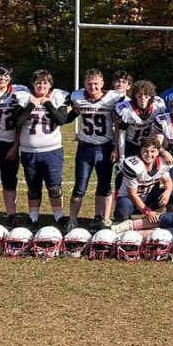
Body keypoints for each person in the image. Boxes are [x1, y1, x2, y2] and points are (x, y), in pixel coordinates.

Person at [66, 69, 125, 231]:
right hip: (85, 147)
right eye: (89, 84)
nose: (93, 87)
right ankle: (72, 219)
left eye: (96, 83)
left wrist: (116, 148)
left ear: (102, 84)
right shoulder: (78, 98)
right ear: (85, 84)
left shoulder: (113, 98)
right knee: (80, 186)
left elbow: (124, 115)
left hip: (105, 147)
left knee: (104, 185)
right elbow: (68, 115)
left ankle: (104, 219)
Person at [12, 70, 70, 231]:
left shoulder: (57, 96)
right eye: (38, 82)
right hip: (29, 151)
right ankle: (33, 218)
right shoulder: (24, 97)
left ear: (50, 85)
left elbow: (61, 119)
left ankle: (59, 218)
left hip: (51, 150)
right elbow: (17, 122)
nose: (41, 85)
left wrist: (47, 103)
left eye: (45, 83)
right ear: (33, 84)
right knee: (33, 187)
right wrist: (32, 104)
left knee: (54, 187)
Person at [0, 64, 26, 227]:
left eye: (6, 75)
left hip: (11, 142)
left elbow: (20, 123)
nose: (2, 79)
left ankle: (11, 214)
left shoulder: (19, 91)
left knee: (10, 181)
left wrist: (16, 146)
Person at [112, 138, 173, 223]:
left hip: (147, 197)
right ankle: (120, 224)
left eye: (152, 151)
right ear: (140, 151)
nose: (148, 154)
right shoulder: (134, 165)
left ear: (158, 152)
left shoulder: (163, 162)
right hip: (129, 199)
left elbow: (167, 181)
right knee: (123, 210)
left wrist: (168, 191)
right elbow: (132, 194)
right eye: (145, 151)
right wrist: (147, 211)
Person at [114, 80, 166, 164]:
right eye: (139, 95)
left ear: (151, 96)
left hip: (150, 145)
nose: (143, 98)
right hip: (131, 144)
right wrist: (122, 156)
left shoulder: (158, 106)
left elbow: (160, 130)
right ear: (134, 95)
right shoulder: (125, 109)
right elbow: (122, 134)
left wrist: (157, 149)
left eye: (146, 95)